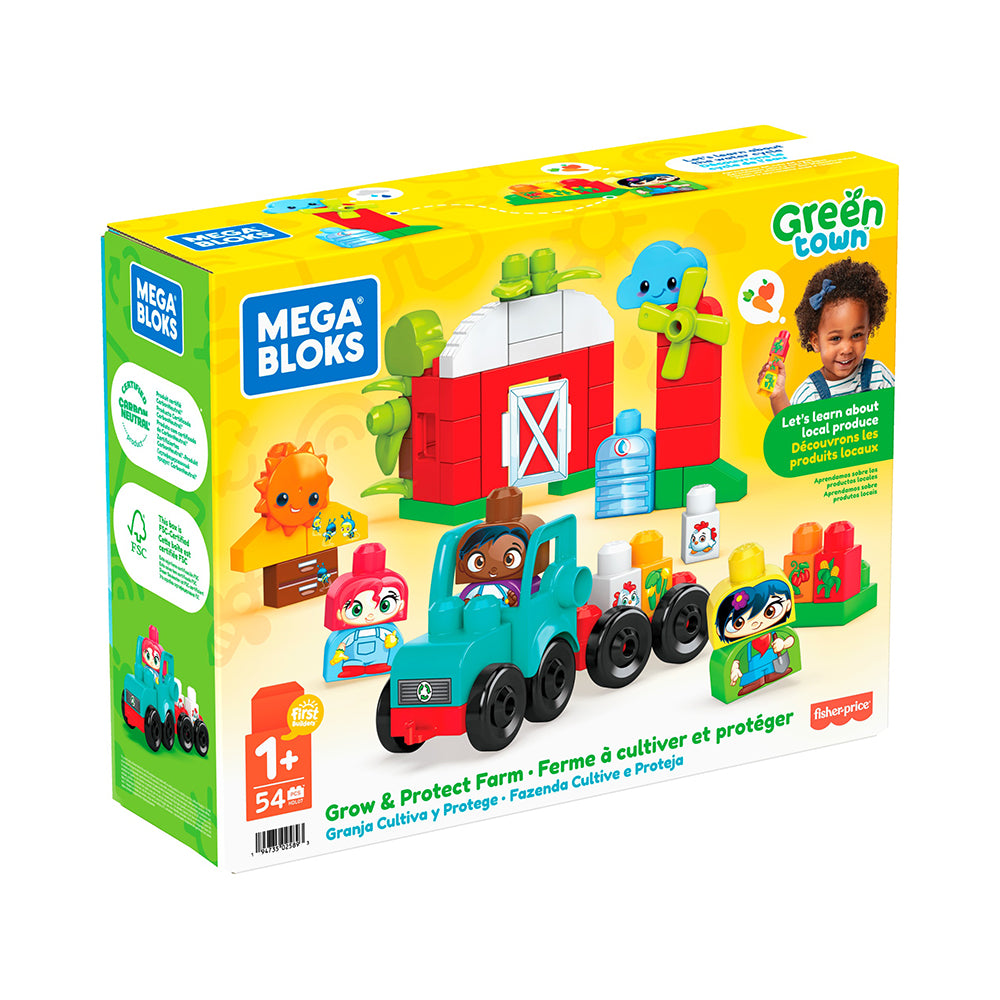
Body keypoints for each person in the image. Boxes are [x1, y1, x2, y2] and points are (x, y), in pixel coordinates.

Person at [766, 258, 894, 414]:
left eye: (856, 335)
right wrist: (778, 396)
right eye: (835, 338)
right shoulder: (809, 394)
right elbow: (789, 428)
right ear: (815, 341)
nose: (847, 349)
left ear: (868, 332)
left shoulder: (878, 375)